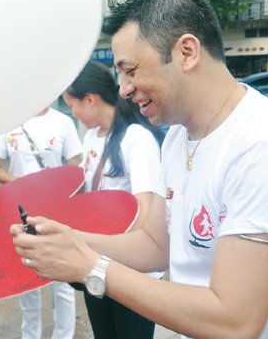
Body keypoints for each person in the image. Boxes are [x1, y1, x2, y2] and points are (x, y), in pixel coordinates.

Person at [11, 0, 268, 338]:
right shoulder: (178, 135)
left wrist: (91, 267)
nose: (124, 89)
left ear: (187, 52)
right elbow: (158, 245)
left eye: (131, 71)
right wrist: (72, 239)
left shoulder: (264, 145)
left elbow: (234, 321)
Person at [63, 61, 164, 339]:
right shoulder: (92, 137)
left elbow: (146, 209)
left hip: (132, 269)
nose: (73, 113)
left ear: (91, 100)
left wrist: (111, 247)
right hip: (98, 261)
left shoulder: (137, 138)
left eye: (73, 106)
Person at [0, 107, 82, 339]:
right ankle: (30, 335)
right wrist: (23, 183)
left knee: (63, 281)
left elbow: (76, 168)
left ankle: (64, 335)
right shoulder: (8, 121)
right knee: (26, 277)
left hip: (56, 208)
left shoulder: (62, 122)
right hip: (20, 211)